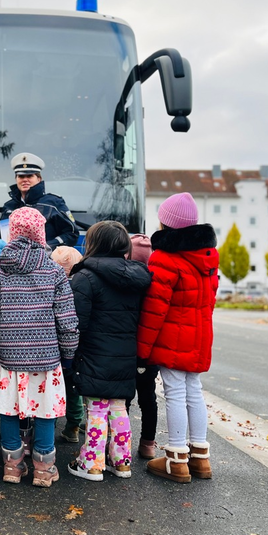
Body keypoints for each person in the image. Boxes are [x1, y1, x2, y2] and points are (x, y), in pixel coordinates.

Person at [0, 207, 79, 487]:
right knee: (45, 410)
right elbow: (66, 317)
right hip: (46, 356)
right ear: (41, 232)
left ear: (12, 232)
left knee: (9, 409)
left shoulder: (2, 269)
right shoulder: (53, 270)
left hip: (10, 355)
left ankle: (12, 467)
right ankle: (43, 468)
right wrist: (69, 350)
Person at [137, 192, 219, 483]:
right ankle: (200, 457)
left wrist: (142, 349)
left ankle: (176, 458)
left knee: (174, 392)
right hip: (199, 336)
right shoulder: (207, 257)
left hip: (172, 336)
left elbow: (154, 309)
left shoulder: (165, 258)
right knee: (194, 391)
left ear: (165, 223)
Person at [66, 221, 151, 481]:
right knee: (118, 406)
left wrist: (71, 354)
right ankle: (121, 461)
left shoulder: (85, 276)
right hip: (126, 352)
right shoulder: (139, 277)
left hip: (94, 352)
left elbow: (77, 321)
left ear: (93, 244)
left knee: (97, 408)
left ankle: (91, 462)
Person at [0, 153, 79, 250]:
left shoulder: (53, 203)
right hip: (13, 261)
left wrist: (48, 247)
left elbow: (71, 234)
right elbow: (2, 236)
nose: (25, 180)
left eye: (29, 176)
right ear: (16, 179)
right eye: (20, 176)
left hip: (47, 261)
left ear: (39, 178)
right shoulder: (9, 206)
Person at [127, 233, 161, 459]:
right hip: (150, 352)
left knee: (125, 397)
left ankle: (121, 443)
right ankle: (148, 443)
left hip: (127, 348)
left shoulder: (127, 281)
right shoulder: (156, 282)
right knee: (148, 397)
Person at [50, 245, 85, 444]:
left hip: (54, 348)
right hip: (77, 348)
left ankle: (50, 425)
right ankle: (73, 426)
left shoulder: (53, 284)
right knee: (73, 390)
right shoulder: (81, 285)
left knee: (53, 390)